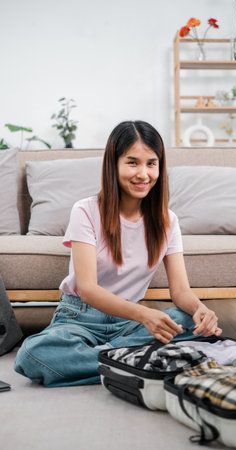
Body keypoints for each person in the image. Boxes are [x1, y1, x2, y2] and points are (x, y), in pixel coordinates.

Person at [15, 120, 221, 387]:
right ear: (113, 164)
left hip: (129, 322)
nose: (143, 174)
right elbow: (88, 289)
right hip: (81, 316)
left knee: (189, 324)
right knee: (33, 354)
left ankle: (111, 359)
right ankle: (132, 359)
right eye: (132, 162)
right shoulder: (86, 210)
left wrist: (201, 310)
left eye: (151, 163)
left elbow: (180, 291)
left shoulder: (168, 220)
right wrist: (144, 315)